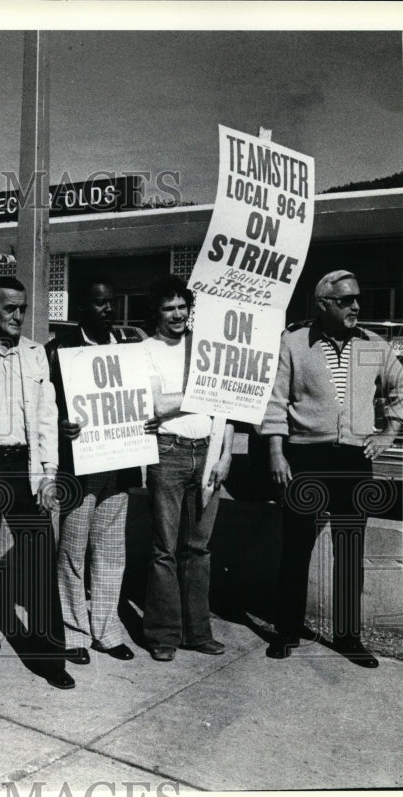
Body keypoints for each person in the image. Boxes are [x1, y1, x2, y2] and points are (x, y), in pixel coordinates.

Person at [260, 270, 403, 667]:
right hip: (305, 459)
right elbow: (275, 402)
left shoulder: (374, 346)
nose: (356, 306)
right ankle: (288, 630)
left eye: (358, 298)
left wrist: (388, 434)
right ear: (323, 304)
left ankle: (348, 636)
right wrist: (276, 452)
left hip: (355, 461)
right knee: (296, 549)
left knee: (349, 550)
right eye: (345, 301)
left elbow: (400, 391)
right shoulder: (294, 343)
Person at [0, 276, 74, 689]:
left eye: (22, 308)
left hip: (24, 467)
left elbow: (47, 417)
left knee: (39, 558)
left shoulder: (35, 355)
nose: (17, 316)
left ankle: (50, 655)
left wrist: (49, 475)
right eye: (9, 308)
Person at [46, 276, 142, 665]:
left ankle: (106, 630)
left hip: (117, 465)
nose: (108, 309)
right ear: (81, 308)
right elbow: (45, 410)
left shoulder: (129, 350)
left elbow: (141, 399)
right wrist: (61, 426)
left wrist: (145, 422)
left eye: (112, 301)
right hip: (79, 468)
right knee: (72, 551)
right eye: (100, 302)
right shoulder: (60, 351)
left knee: (111, 551)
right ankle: (74, 634)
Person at [140, 275, 234, 662]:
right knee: (164, 548)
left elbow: (227, 404)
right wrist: (201, 389)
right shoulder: (146, 349)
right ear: (157, 313)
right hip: (169, 452)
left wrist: (226, 456)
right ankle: (163, 634)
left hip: (209, 451)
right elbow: (154, 406)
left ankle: (198, 632)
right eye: (168, 308)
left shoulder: (205, 346)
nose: (177, 314)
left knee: (198, 548)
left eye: (182, 307)